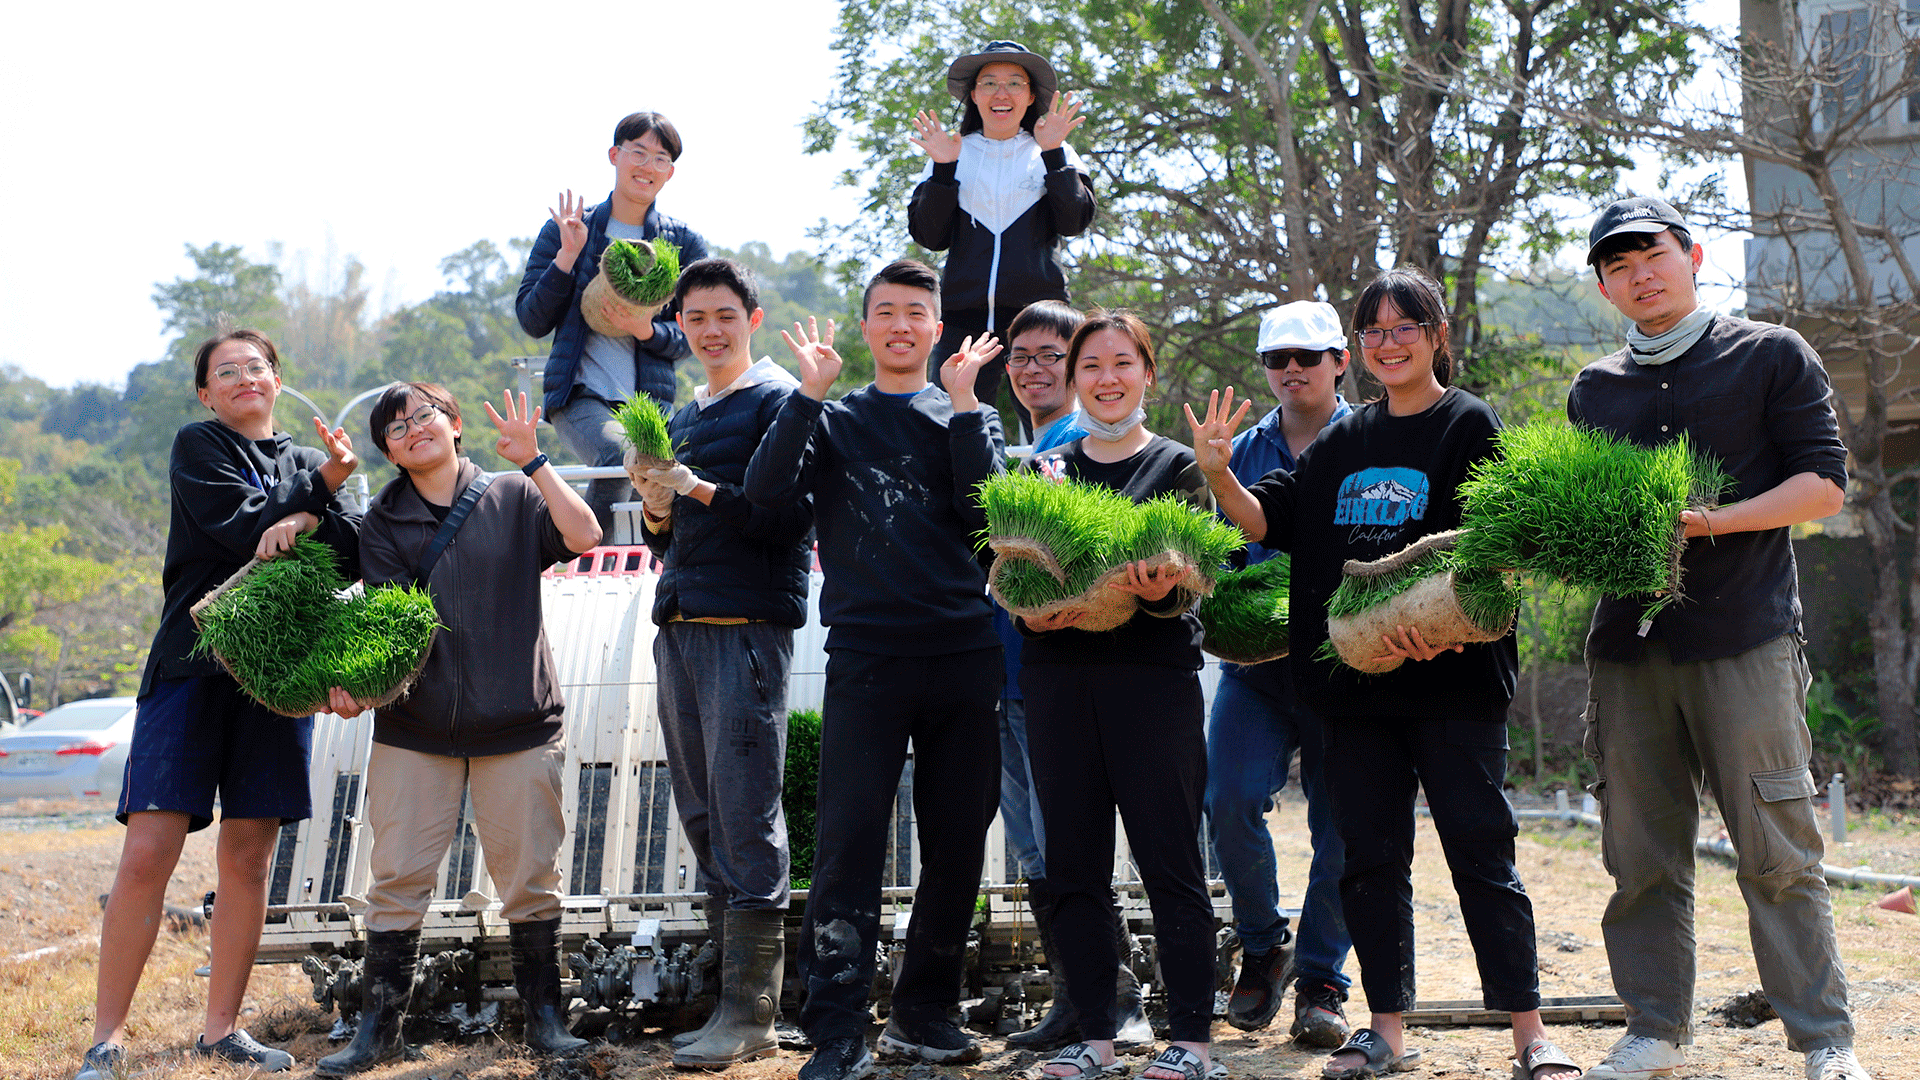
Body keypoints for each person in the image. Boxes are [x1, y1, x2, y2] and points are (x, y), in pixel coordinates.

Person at [1187, 268, 1579, 1080]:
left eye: (1406, 327)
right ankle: (1386, 1029)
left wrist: (1442, 633)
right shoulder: (1344, 438)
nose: (1389, 342)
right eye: (1374, 331)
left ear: (1437, 335)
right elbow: (1270, 520)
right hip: (1355, 692)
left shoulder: (1468, 424)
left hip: (1453, 688)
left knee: (1482, 853)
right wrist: (1220, 473)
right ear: (1358, 348)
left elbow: (1499, 550)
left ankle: (1531, 1034)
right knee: (1369, 859)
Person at [1571, 197, 1866, 1080]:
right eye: (1617, 267)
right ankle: (1655, 1029)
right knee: (1640, 854)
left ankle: (1823, 1040)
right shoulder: (1596, 387)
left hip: (1746, 638)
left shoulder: (1770, 354)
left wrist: (1710, 523)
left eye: (1651, 255)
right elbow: (1592, 520)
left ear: (1691, 254)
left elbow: (1823, 486)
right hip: (1629, 648)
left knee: (1778, 848)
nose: (1639, 275)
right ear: (1605, 287)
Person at [744, 259, 1005, 1080]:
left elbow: (992, 517)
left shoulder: (972, 414)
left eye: (915, 312)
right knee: (848, 845)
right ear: (865, 330)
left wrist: (965, 406)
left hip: (965, 655)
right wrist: (808, 396)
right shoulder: (835, 417)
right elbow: (764, 493)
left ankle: (926, 1013)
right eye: (884, 312)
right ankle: (837, 1031)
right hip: (866, 658)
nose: (900, 325)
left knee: (958, 844)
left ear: (937, 328)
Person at [78, 328, 361, 1080]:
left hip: (277, 678)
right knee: (150, 849)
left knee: (249, 853)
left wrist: (316, 506)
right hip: (189, 667)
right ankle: (105, 1039)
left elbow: (352, 552)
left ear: (277, 380)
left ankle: (221, 1031)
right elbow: (247, 531)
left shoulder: (308, 460)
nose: (244, 378)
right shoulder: (198, 447)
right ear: (206, 393)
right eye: (226, 371)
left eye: (257, 367)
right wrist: (319, 497)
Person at [315, 385, 601, 1075]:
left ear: (454, 424)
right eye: (396, 426)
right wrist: (355, 684)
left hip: (518, 722)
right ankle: (378, 1032)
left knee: (531, 880)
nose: (413, 429)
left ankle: (546, 1026)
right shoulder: (382, 520)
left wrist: (536, 462)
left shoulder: (513, 494)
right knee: (398, 879)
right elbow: (390, 627)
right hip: (416, 729)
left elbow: (586, 535)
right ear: (386, 449)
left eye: (423, 415)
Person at [1018, 311, 1221, 1080]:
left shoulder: (1177, 469)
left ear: (1147, 373)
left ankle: (1193, 1040)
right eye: (1091, 366)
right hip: (1058, 683)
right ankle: (1096, 1036)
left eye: (1122, 363)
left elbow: (1192, 587)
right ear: (1074, 381)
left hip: (1152, 685)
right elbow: (1014, 583)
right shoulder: (1048, 470)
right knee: (1073, 864)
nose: (1107, 379)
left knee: (1171, 863)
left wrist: (1161, 591)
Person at [630, 258, 814, 1068]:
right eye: (695, 318)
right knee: (704, 816)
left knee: (746, 814)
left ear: (754, 318)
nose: (709, 331)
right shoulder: (685, 412)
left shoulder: (781, 402)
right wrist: (657, 509)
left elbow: (785, 522)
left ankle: (755, 1012)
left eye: (723, 317)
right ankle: (726, 1004)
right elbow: (675, 538)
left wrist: (695, 489)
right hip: (680, 623)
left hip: (746, 630)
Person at [992, 301, 1154, 1054]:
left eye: (1051, 355)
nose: (1033, 368)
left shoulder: (1070, 446)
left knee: (1066, 848)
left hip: (1056, 678)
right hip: (1008, 675)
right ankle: (1075, 998)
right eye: (1019, 356)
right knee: (1035, 850)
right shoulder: (1024, 446)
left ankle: (1112, 999)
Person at [1205, 301, 1355, 1047]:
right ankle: (1263, 948)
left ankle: (1324, 979)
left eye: (1307, 356)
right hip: (1255, 670)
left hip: (1349, 667)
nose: (1291, 370)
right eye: (1276, 360)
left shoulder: (1372, 437)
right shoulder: (1237, 450)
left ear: (1339, 362)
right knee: (1226, 797)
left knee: (1343, 826)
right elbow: (1225, 559)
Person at [517, 110, 711, 535]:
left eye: (660, 158)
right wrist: (567, 257)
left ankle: (655, 572)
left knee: (666, 483)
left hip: (652, 403)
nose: (647, 166)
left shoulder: (683, 243)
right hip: (579, 394)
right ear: (614, 155)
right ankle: (585, 554)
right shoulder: (568, 230)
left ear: (670, 172)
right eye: (637, 152)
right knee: (617, 459)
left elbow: (695, 336)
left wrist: (646, 329)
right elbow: (532, 319)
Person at [908, 41, 1096, 436]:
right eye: (989, 83)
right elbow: (930, 235)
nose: (1001, 93)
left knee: (1058, 431)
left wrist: (1054, 154)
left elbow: (1074, 220)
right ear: (973, 95)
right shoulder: (952, 151)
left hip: (1039, 322)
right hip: (963, 320)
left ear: (1031, 96)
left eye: (1014, 83)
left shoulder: (1053, 149)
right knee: (952, 427)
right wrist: (943, 169)